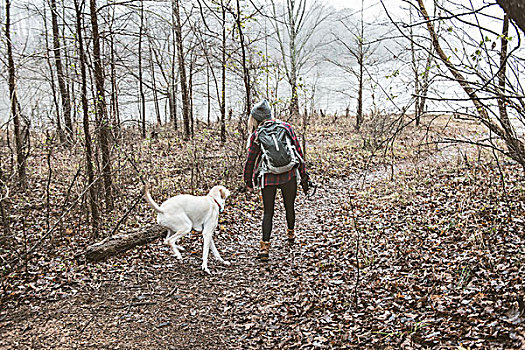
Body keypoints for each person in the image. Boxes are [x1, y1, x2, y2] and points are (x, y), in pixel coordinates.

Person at [243, 99, 309, 261]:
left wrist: (248, 182)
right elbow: (298, 152)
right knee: (289, 206)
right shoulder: (286, 128)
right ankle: (291, 234)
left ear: (256, 118)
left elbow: (250, 160)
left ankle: (265, 248)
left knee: (268, 212)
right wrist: (303, 176)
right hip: (289, 175)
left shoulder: (257, 134)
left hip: (268, 178)